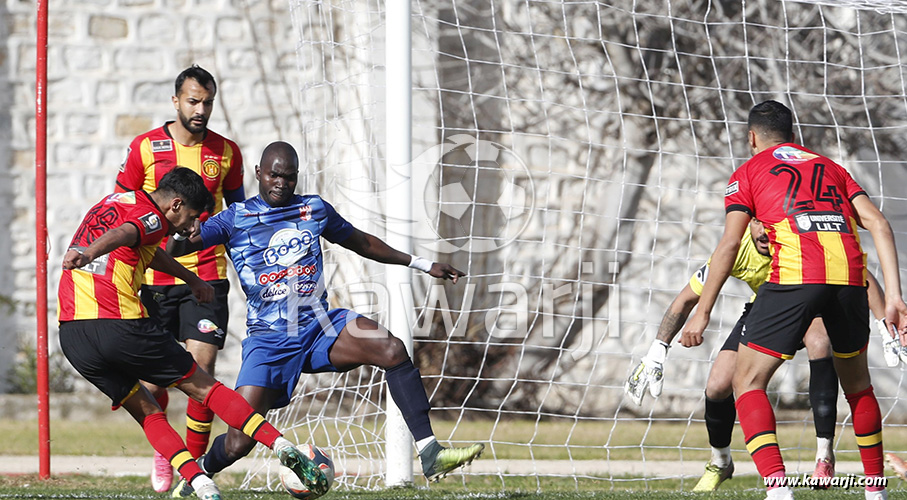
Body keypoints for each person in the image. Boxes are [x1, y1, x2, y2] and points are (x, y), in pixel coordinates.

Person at [167, 141, 484, 496]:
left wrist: (421, 263)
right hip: (270, 340)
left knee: (392, 349)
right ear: (259, 173)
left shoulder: (313, 209)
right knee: (240, 441)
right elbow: (180, 245)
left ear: (296, 178)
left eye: (288, 177)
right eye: (274, 175)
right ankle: (198, 474)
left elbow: (360, 241)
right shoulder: (235, 217)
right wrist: (169, 234)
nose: (280, 183)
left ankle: (430, 451)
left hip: (320, 325)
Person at [682, 100, 907, 500]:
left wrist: (702, 313)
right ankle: (876, 492)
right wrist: (894, 298)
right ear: (794, 135)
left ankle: (778, 489)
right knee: (858, 386)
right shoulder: (831, 168)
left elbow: (730, 243)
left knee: (747, 382)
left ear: (751, 137)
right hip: (850, 278)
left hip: (795, 276)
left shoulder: (748, 171)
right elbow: (879, 223)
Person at [58, 168, 328, 500]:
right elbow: (130, 232)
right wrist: (90, 254)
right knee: (205, 388)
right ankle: (281, 443)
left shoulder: (114, 201)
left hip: (73, 335)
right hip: (119, 323)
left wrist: (192, 279)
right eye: (188, 218)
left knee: (148, 412)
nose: (189, 228)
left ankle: (200, 484)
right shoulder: (153, 216)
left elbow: (143, 244)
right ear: (174, 204)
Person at [628, 220, 894, 491]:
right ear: (748, 223)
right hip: (767, 311)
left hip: (814, 306)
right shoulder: (736, 249)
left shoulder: (799, 241)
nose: (764, 232)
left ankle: (824, 456)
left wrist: (886, 324)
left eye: (769, 224)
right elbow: (685, 299)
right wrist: (656, 351)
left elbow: (862, 275)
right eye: (757, 223)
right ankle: (720, 461)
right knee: (718, 384)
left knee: (819, 340)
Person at [115, 65, 245, 492]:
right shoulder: (145, 147)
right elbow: (123, 203)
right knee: (153, 380)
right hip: (153, 278)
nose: (201, 109)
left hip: (207, 275)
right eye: (193, 100)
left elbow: (239, 215)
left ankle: (196, 471)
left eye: (207, 101)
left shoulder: (227, 153)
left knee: (202, 368)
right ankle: (166, 451)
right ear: (176, 101)